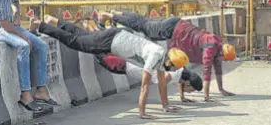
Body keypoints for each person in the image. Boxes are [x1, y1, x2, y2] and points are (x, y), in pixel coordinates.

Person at [29, 15, 190, 119]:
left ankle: (54, 20)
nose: (175, 71)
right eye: (176, 68)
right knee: (77, 42)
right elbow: (144, 87)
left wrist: (165, 106)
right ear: (171, 62)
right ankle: (40, 24)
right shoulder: (155, 55)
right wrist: (142, 112)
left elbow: (161, 83)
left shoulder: (163, 56)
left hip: (115, 38)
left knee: (83, 36)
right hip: (111, 41)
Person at [98, 11, 237, 102]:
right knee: (144, 26)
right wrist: (206, 96)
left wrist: (221, 89)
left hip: (175, 27)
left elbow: (216, 72)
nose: (223, 61)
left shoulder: (217, 47)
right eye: (225, 59)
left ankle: (120, 13)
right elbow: (207, 72)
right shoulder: (211, 47)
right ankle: (109, 17)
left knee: (145, 24)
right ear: (223, 55)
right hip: (172, 29)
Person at [73, 17, 203, 102]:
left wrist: (182, 97)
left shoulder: (179, 70)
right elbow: (162, 88)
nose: (190, 92)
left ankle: (90, 27)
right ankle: (86, 27)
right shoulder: (170, 74)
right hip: (127, 66)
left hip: (129, 63)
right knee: (98, 52)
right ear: (188, 83)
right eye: (191, 90)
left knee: (99, 47)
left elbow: (180, 82)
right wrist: (165, 106)